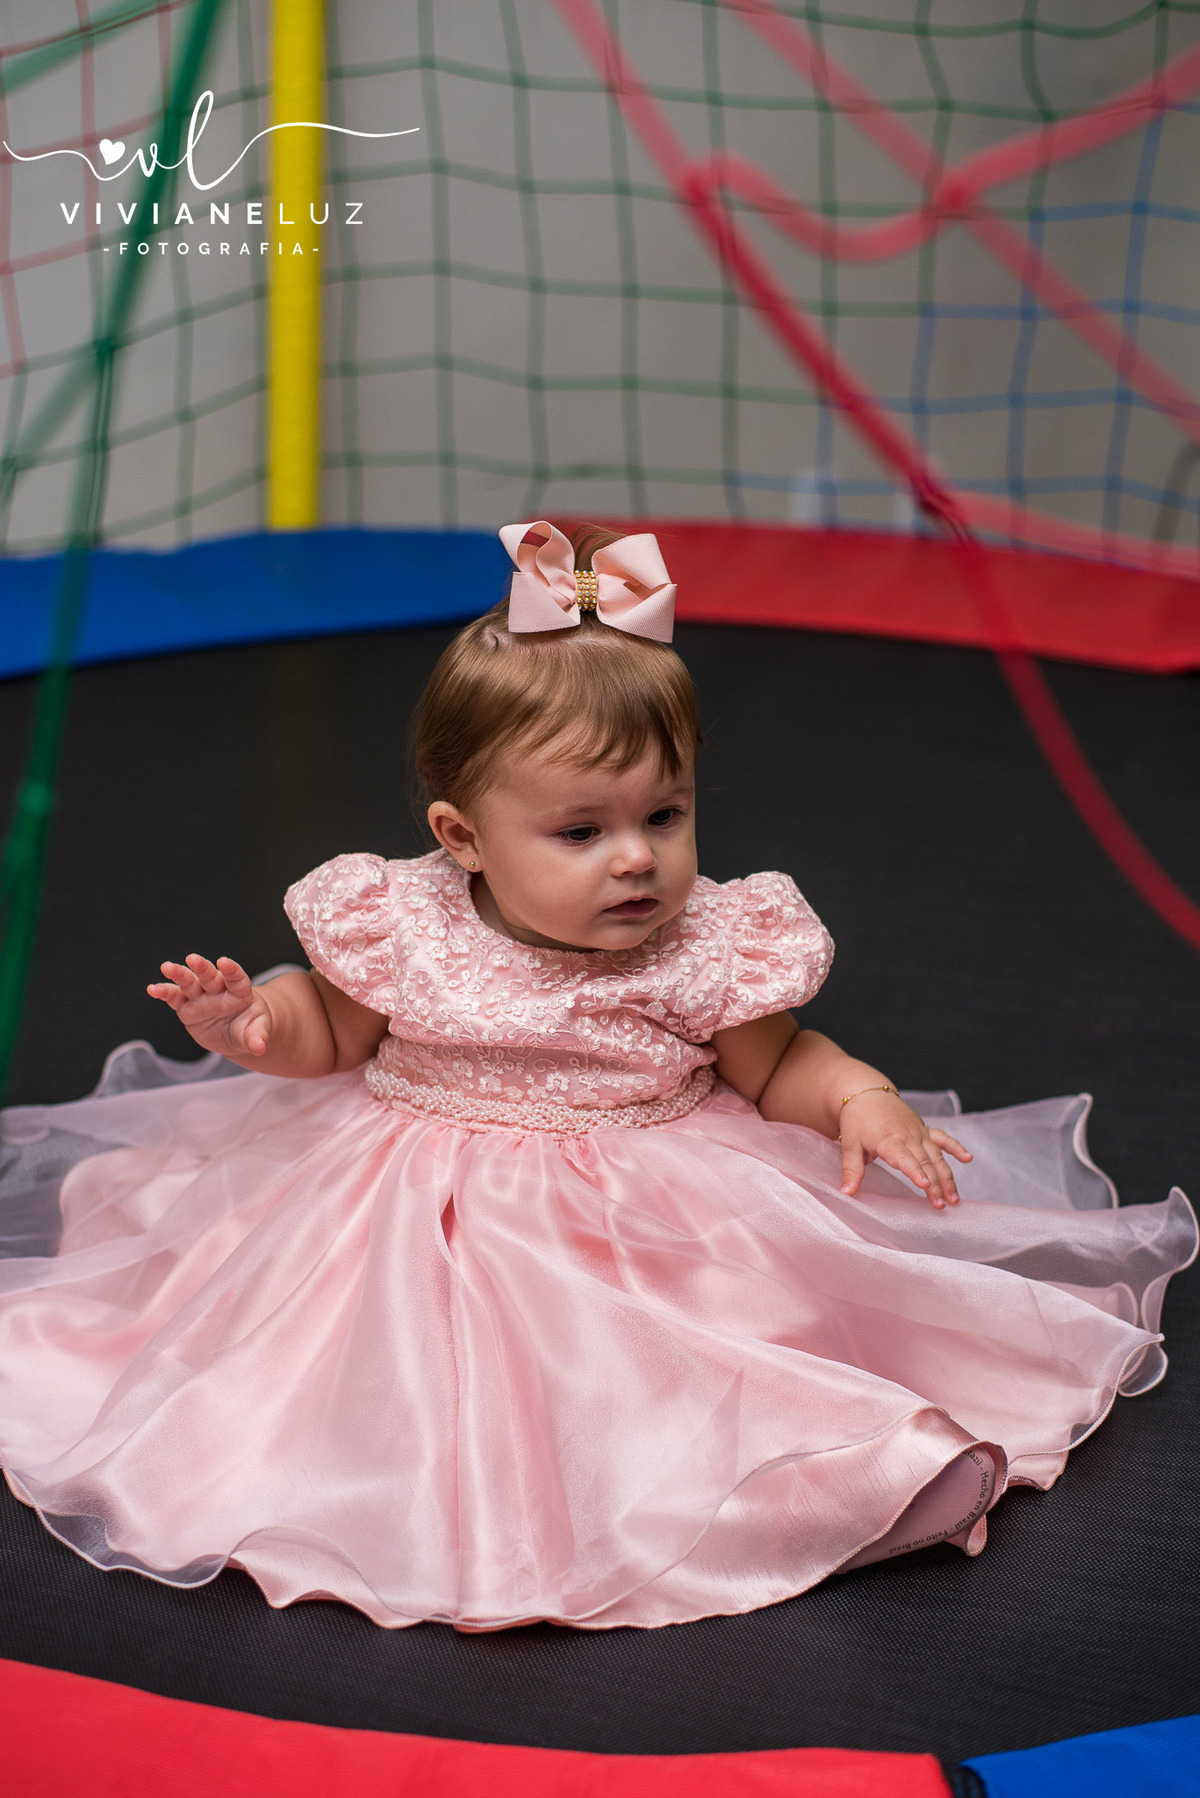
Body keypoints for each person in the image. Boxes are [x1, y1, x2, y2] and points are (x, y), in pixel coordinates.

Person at [0, 519, 1193, 1632]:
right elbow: (333, 1033)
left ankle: (852, 1482)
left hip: (657, 1216)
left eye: (663, 815)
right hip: (404, 1218)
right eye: (580, 833)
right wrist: (252, 1022)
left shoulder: (709, 945)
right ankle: (409, 1509)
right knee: (328, 1381)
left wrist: (857, 1096)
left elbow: (781, 1066)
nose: (635, 860)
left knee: (721, 1355)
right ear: (462, 836)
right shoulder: (402, 922)